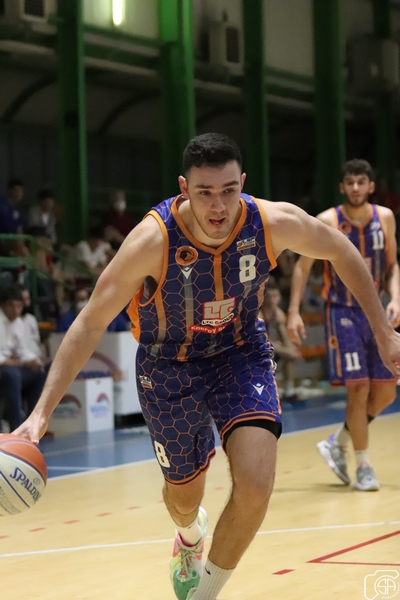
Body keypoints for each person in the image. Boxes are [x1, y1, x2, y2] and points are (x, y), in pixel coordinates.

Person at [13, 135, 400, 600]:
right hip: (167, 364)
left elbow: (342, 251)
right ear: (184, 188)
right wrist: (40, 414)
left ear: (243, 184)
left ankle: (205, 594)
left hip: (240, 351)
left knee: (255, 485)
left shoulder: (271, 223)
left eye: (228, 191)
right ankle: (189, 534)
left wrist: (383, 332)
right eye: (205, 193)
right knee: (184, 499)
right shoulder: (151, 240)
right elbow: (90, 321)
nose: (218, 206)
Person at [287, 158, 400, 492]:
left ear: (370, 186)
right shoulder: (328, 221)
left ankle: (338, 442)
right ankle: (363, 465)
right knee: (359, 388)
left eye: (361, 182)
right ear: (341, 187)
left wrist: (396, 297)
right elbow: (302, 267)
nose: (355, 188)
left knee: (385, 392)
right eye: (349, 182)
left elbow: (393, 265)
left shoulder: (385, 217)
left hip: (376, 312)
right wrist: (293, 311)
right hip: (342, 312)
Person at [0, 285, 46, 431]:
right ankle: (16, 426)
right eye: (12, 306)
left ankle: (32, 423)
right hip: (5, 368)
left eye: (19, 307)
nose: (16, 311)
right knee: (12, 375)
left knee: (39, 373)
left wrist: (33, 360)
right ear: (4, 305)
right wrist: (20, 363)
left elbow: (22, 350)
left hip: (10, 366)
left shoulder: (18, 323)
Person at [258, 278, 302, 401]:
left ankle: (288, 390)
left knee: (290, 354)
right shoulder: (259, 315)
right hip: (257, 348)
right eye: (270, 297)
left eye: (276, 296)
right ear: (264, 298)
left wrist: (292, 350)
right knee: (281, 351)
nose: (273, 300)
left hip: (271, 348)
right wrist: (287, 351)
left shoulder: (279, 314)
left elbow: (285, 338)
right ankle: (266, 391)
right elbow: (262, 341)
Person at [57, 287, 129, 333]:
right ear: (74, 302)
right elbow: (59, 338)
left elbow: (126, 330)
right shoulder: (66, 319)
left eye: (85, 299)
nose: (83, 302)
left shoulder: (111, 315)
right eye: (80, 299)